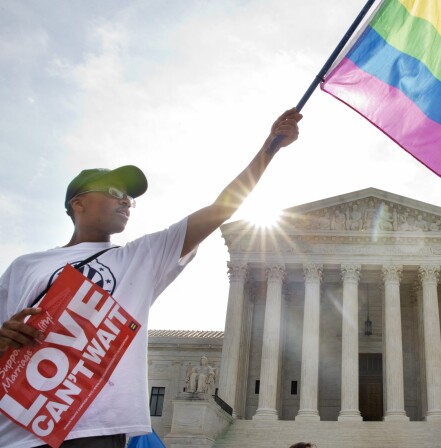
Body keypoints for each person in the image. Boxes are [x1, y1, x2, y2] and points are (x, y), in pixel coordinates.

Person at [0, 108, 301, 448]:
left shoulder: (139, 259)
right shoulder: (26, 266)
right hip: (17, 430)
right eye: (115, 191)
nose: (126, 201)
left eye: (130, 197)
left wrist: (270, 147)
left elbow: (221, 209)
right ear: (78, 202)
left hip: (94, 430)